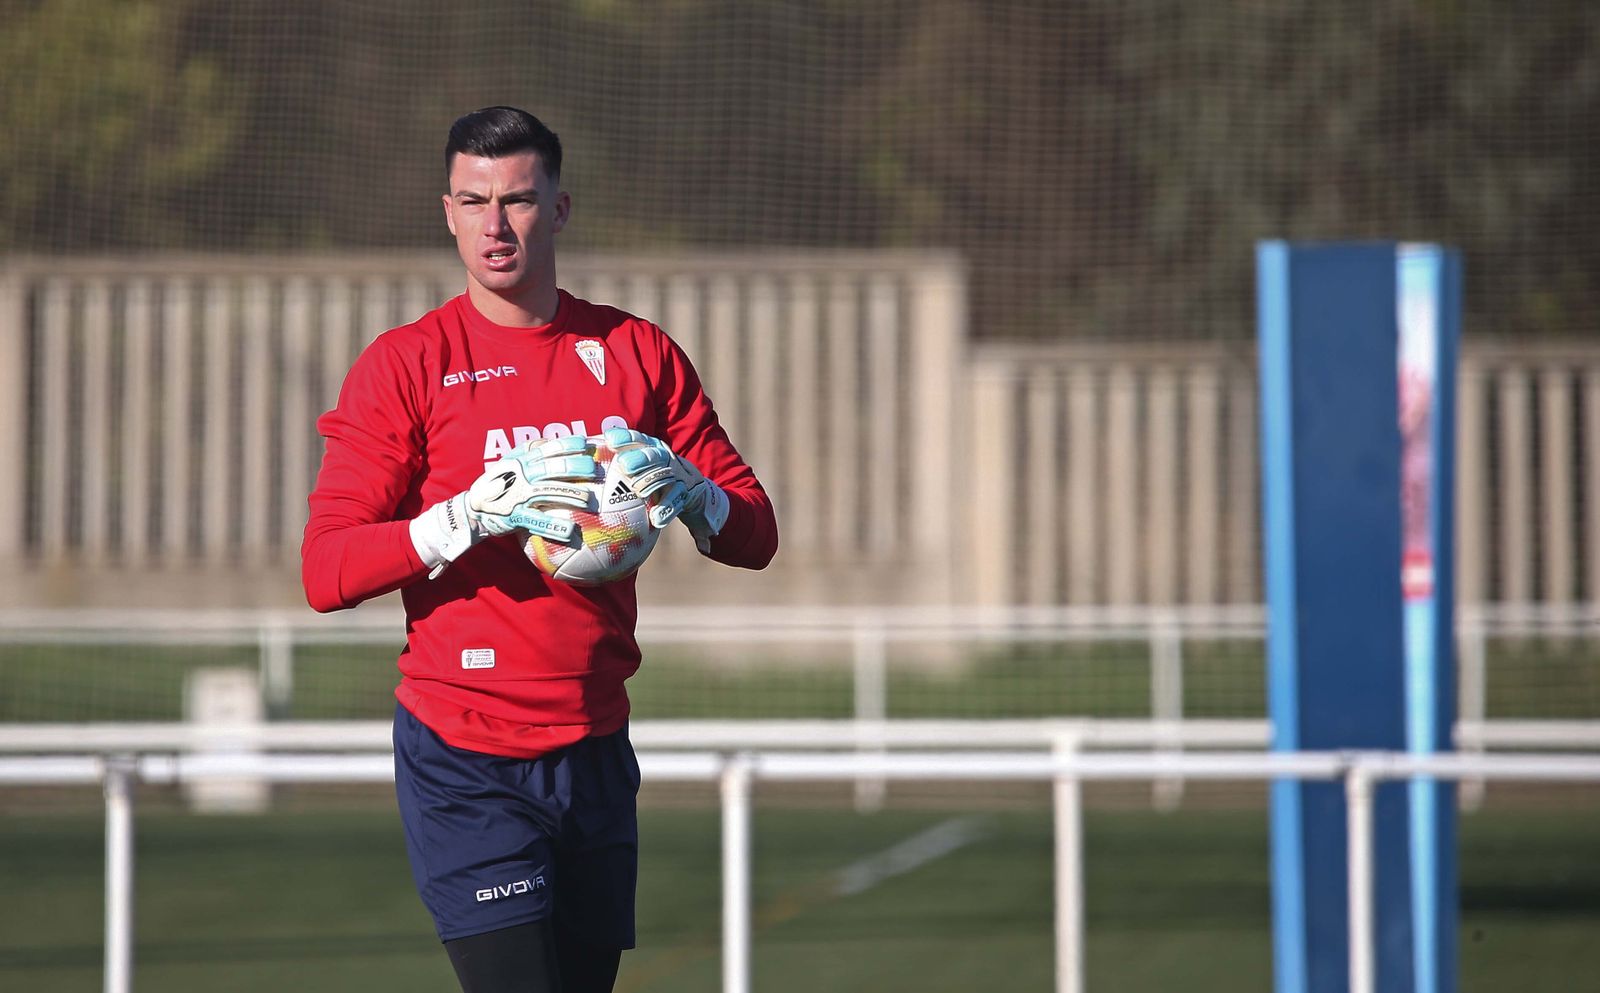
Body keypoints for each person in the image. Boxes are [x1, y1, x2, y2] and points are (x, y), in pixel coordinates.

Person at [301, 106, 778, 993]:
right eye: (474, 201)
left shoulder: (635, 352)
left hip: (595, 743)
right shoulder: (407, 364)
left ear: (558, 209)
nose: (495, 225)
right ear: (446, 210)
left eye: (517, 199)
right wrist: (465, 516)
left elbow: (756, 534)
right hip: (465, 750)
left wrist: (697, 496)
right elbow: (326, 571)